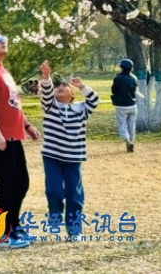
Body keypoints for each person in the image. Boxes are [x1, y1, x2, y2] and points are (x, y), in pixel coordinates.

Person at [0, 30, 41, 249]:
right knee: (7, 185)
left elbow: (14, 104)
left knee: (21, 183)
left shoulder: (3, 70)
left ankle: (14, 226)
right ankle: (2, 233)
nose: (4, 42)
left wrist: (28, 125)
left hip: (13, 135)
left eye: (5, 38)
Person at [39, 61, 99, 238]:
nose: (60, 87)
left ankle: (74, 228)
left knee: (74, 193)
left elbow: (94, 100)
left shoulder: (81, 109)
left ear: (73, 94)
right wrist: (46, 77)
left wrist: (82, 86)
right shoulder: (50, 107)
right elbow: (46, 93)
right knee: (54, 190)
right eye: (58, 87)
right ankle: (55, 214)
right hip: (52, 156)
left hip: (74, 157)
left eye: (65, 86)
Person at [112, 59, 138, 153]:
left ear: (122, 67)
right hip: (133, 105)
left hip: (121, 106)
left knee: (122, 125)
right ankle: (131, 142)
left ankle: (127, 141)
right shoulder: (134, 78)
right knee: (132, 125)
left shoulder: (118, 78)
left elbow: (113, 90)